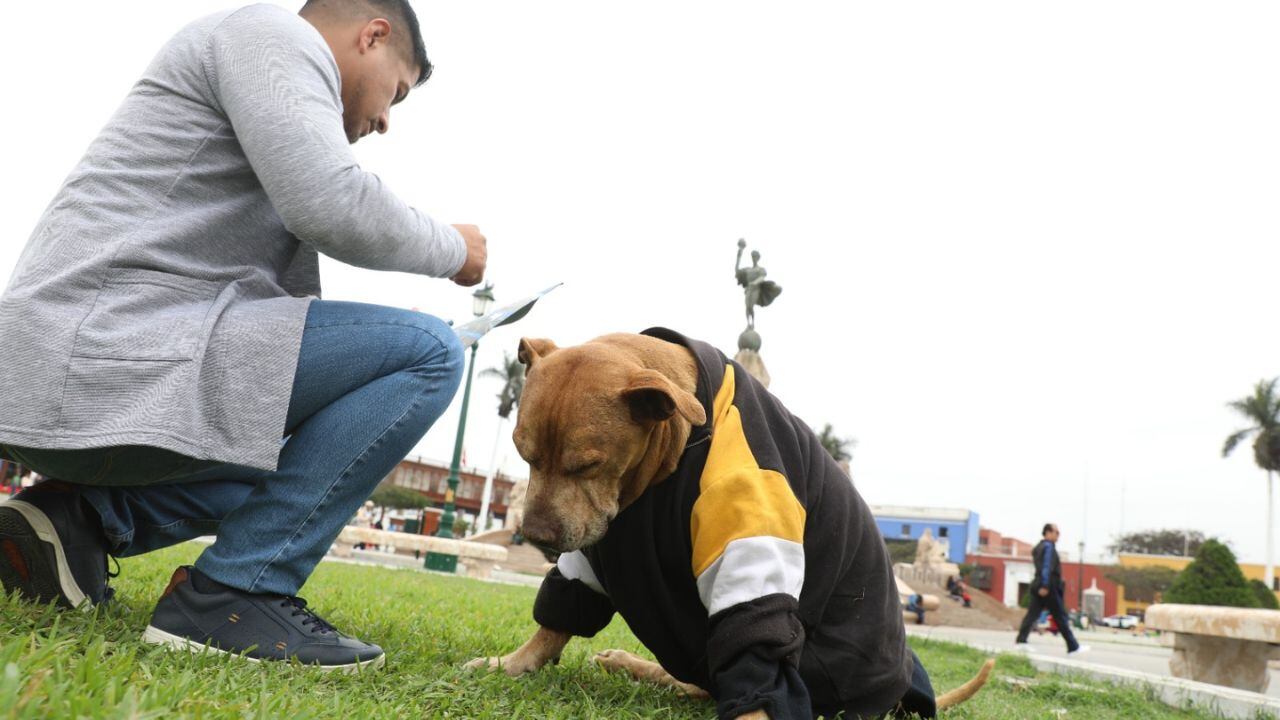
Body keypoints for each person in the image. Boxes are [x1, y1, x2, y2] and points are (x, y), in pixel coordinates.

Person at [0, 0, 487, 671]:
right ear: (372, 35)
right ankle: (234, 595)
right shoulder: (271, 33)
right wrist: (453, 249)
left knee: (298, 463)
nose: (383, 120)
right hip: (103, 349)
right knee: (429, 352)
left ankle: (73, 520)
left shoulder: (257, 75)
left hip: (79, 371)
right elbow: (330, 202)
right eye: (395, 92)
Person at [1015, 524, 1090, 655]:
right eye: (1056, 532)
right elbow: (1046, 567)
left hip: (1039, 583)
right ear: (1048, 532)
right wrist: (1045, 585)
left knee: (1032, 614)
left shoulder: (1038, 547)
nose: (1058, 536)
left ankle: (1021, 641)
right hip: (1048, 586)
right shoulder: (1048, 547)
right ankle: (1073, 646)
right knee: (1060, 616)